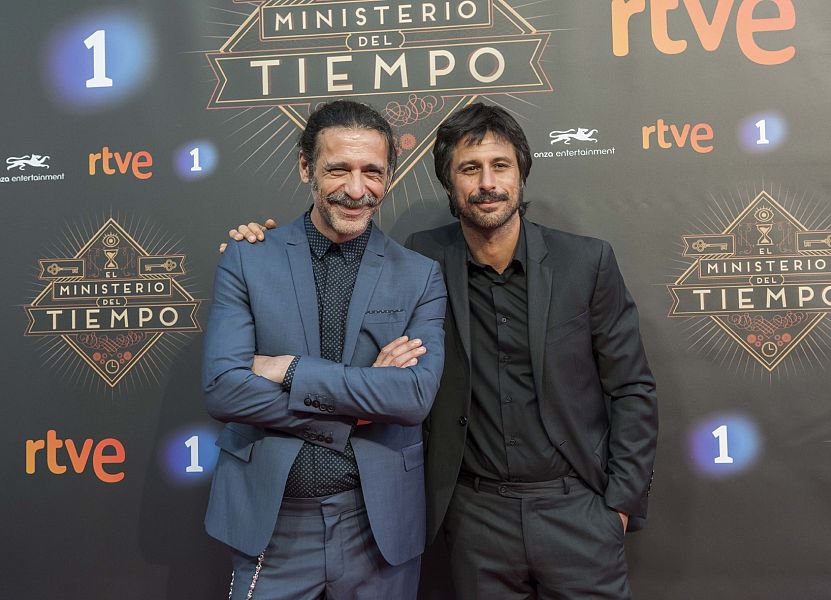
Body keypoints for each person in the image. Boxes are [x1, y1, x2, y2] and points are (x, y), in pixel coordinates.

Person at [228, 103, 657, 599]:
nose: (487, 183)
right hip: (473, 515)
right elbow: (324, 255)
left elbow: (632, 388)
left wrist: (618, 506)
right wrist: (257, 246)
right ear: (449, 184)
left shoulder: (586, 262)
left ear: (522, 173)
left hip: (576, 506)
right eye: (469, 169)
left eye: (501, 166)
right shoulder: (419, 261)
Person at [204, 100, 446, 600]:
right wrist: (355, 411)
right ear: (305, 167)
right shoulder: (247, 258)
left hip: (377, 525)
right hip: (272, 522)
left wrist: (290, 370)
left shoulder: (420, 275)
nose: (356, 190)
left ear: (389, 177)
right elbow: (225, 390)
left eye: (372, 172)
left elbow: (413, 398)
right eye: (338, 169)